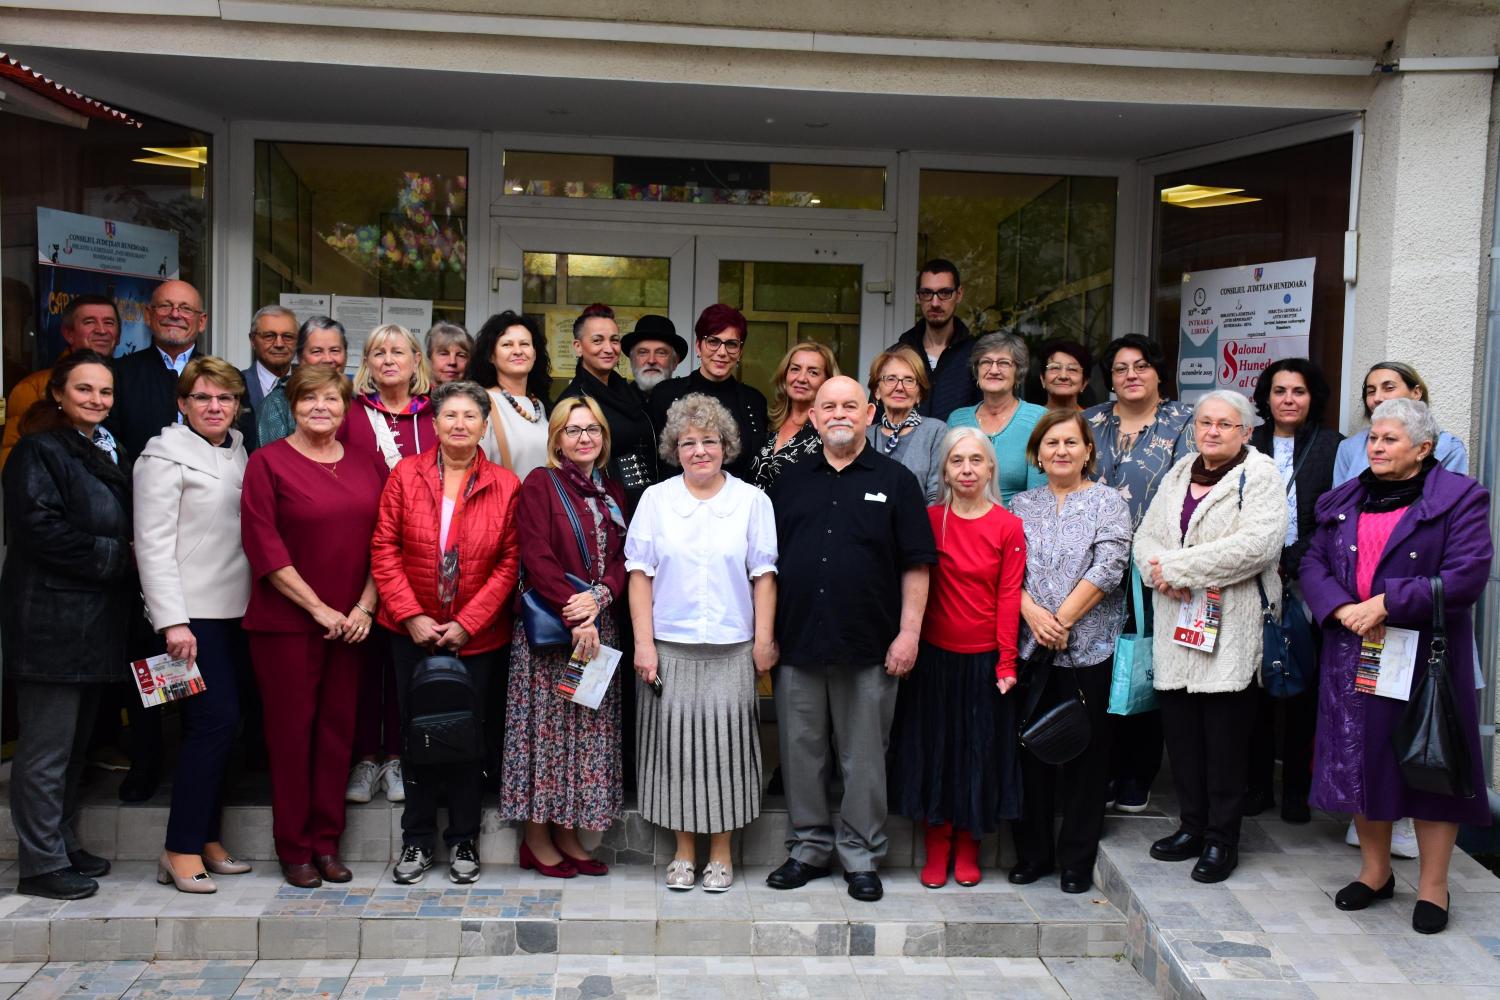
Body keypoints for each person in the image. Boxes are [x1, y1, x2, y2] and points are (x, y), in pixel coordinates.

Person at [1301, 398, 1492, 935]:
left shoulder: (1460, 498)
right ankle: (1375, 872)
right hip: (1356, 649)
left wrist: (1386, 603)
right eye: (1373, 438)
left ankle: (1433, 886)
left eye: (1389, 439)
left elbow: (1467, 576)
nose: (1376, 448)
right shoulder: (1348, 496)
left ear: (1423, 448)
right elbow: (1314, 561)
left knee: (1430, 764)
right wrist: (1341, 608)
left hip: (1425, 656)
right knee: (1364, 759)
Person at [766, 376, 938, 903]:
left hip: (871, 647)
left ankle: (862, 856)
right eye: (828, 406)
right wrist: (764, 635)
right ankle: (807, 849)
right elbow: (764, 567)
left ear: (869, 414)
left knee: (863, 759)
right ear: (813, 417)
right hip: (796, 643)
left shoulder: (897, 480)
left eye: (849, 405)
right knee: (801, 753)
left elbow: (917, 565)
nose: (839, 414)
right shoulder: (788, 481)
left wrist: (909, 634)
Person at [371, 381, 522, 886]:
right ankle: (416, 839)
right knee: (416, 736)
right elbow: (384, 548)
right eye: (450, 415)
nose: (459, 424)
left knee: (466, 738)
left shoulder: (506, 484)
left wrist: (467, 623)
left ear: (483, 425)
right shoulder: (405, 474)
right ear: (434, 424)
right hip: (409, 631)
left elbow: (509, 562)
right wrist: (411, 615)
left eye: (470, 416)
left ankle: (463, 839)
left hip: (475, 638)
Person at [1133, 390, 1286, 884]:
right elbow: (1145, 538)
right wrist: (1158, 572)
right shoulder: (1180, 472)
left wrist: (1176, 568)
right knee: (1182, 737)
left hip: (1231, 629)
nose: (1212, 431)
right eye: (1204, 422)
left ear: (1246, 431)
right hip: (1178, 625)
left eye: (1225, 423)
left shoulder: (1259, 474)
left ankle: (1223, 839)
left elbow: (1257, 546)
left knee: (1224, 743)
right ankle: (1191, 827)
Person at [240, 364, 384, 888]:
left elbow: (386, 542)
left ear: (346, 407)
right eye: (309, 399)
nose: (321, 407)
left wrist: (365, 608)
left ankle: (327, 843)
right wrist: (320, 609)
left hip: (353, 627)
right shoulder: (267, 463)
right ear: (292, 406)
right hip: (287, 626)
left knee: (336, 736)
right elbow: (264, 546)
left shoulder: (368, 463)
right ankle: (294, 849)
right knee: (291, 737)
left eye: (331, 398)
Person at [628, 394, 778, 892]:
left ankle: (721, 853)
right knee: (676, 752)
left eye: (709, 441)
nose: (699, 451)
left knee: (727, 751)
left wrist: (763, 642)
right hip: (671, 647)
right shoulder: (656, 501)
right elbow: (640, 576)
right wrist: (644, 645)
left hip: (733, 648)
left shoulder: (752, 502)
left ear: (725, 445)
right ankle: (684, 852)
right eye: (688, 442)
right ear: (675, 449)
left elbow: (763, 576)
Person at [2, 351, 129, 900]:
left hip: (93, 622)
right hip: (50, 621)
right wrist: (118, 555)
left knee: (76, 746)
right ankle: (40, 864)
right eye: (84, 389)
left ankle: (63, 842)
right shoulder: (37, 450)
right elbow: (39, 530)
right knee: (45, 750)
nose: (97, 400)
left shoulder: (106, 447)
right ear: (57, 393)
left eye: (105, 391)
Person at [134, 357, 255, 893]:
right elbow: (152, 545)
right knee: (212, 725)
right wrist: (172, 622)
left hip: (238, 613)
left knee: (227, 728)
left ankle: (206, 838)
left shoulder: (239, 451)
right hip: (189, 620)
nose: (214, 407)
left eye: (225, 397)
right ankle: (179, 847)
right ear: (183, 403)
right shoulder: (162, 455)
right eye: (202, 397)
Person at [889, 427, 1025, 890]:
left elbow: (1009, 596)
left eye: (975, 460)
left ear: (991, 469)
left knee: (976, 755)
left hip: (984, 661)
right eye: (956, 461)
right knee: (935, 754)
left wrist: (1007, 662)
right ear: (944, 472)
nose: (966, 469)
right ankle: (937, 844)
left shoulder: (1008, 526)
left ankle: (968, 846)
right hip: (932, 659)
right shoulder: (929, 520)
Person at [501, 396, 627, 879]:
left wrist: (600, 598)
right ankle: (536, 838)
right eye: (573, 430)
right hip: (554, 633)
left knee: (583, 734)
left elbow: (623, 558)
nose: (584, 438)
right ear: (557, 439)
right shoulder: (541, 483)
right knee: (546, 737)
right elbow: (535, 554)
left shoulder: (613, 492)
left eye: (592, 429)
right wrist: (577, 613)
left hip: (597, 627)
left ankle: (568, 833)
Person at [1008, 410, 1132, 893]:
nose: (1061, 450)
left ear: (1088, 451)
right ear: (1037, 454)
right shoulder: (1021, 505)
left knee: (1087, 755)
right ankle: (1033, 854)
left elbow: (1110, 566)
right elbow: (1006, 572)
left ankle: (1077, 860)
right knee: (1030, 750)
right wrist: (1034, 617)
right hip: (1031, 649)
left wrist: (1060, 621)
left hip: (1089, 650)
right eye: (1051, 443)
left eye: (1071, 442)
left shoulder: (1108, 502)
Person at [107, 279, 216, 803]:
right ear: (149, 316)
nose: (175, 315)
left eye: (185, 309)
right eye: (165, 307)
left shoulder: (217, 376)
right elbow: (111, 454)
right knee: (152, 654)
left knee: (203, 669)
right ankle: (149, 759)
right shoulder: (122, 376)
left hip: (205, 551)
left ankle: (193, 759)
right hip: (144, 539)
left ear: (201, 321)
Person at [1084, 334, 1196, 815]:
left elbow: (1190, 492)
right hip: (1091, 566)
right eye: (1121, 368)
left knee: (1145, 664)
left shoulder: (1184, 421)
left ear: (1158, 372)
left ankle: (1137, 772)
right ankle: (1104, 770)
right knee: (1102, 667)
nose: (1131, 375)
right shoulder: (1089, 421)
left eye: (1141, 365)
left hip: (1155, 569)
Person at [338, 322, 435, 806]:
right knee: (361, 661)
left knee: (403, 664)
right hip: (356, 551)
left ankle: (397, 756)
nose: (389, 360)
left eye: (399, 351)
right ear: (367, 364)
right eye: (379, 352)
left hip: (417, 557)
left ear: (417, 360)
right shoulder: (350, 415)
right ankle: (364, 758)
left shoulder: (436, 417)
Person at [1246, 358, 1342, 823]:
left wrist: (1294, 558)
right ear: (1266, 397)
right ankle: (1257, 786)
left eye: (1298, 391)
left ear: (1312, 397)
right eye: (1279, 391)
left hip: (1309, 582)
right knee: (1257, 681)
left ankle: (1296, 793)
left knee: (1302, 682)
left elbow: (1336, 515)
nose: (1288, 399)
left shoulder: (1333, 446)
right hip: (1254, 576)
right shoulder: (1249, 441)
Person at [556, 304, 659, 513]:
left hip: (649, 504)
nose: (609, 348)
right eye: (597, 340)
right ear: (578, 346)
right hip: (606, 510)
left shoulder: (631, 393)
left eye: (614, 340)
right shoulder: (574, 402)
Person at [1, 294, 120, 471]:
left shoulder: (129, 378)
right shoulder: (34, 387)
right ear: (68, 333)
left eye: (109, 322)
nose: (101, 330)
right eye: (89, 322)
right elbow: (16, 465)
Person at [650, 304, 768, 483]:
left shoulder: (755, 401)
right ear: (698, 346)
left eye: (731, 344)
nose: (722, 352)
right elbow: (654, 461)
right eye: (713, 342)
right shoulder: (666, 394)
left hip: (739, 499)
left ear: (740, 352)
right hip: (678, 499)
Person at [947, 333, 1046, 506]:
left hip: (1018, 520)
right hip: (963, 518)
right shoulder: (957, 420)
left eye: (1003, 363)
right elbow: (947, 486)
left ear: (1018, 372)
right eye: (986, 362)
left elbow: (1038, 497)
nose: (993, 370)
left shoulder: (1038, 419)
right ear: (977, 370)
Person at [1333, 361, 1468, 486]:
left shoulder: (1448, 447)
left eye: (1389, 388)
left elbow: (1450, 498)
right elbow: (1339, 500)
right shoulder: (1349, 447)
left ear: (1416, 393)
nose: (1378, 398)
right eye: (1371, 391)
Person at [890, 259, 979, 421]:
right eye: (927, 293)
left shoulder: (976, 356)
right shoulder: (897, 355)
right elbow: (877, 418)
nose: (935, 303)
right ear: (918, 296)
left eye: (945, 293)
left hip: (958, 438)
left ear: (959, 294)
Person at [470, 311, 551, 480]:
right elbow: (475, 473)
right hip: (506, 497)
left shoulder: (538, 405)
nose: (518, 351)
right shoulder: (480, 403)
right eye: (507, 345)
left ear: (534, 354)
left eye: (524, 344)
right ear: (491, 356)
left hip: (542, 497)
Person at [750, 341, 837, 491]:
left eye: (813, 372)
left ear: (827, 381)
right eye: (795, 369)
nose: (801, 378)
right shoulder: (768, 423)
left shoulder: (829, 431)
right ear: (785, 375)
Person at [866, 345, 947, 503]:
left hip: (919, 518)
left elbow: (937, 494)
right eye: (891, 379)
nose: (899, 387)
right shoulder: (864, 435)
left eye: (909, 380)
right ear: (877, 391)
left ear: (919, 393)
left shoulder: (936, 431)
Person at [256, 315, 348, 447]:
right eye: (317, 351)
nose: (327, 359)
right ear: (300, 357)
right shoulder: (278, 403)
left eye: (335, 350)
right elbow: (274, 457)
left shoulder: (355, 399)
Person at [240, 305, 299, 450]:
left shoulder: (308, 386)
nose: (279, 344)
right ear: (252, 340)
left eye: (288, 337)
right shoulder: (235, 385)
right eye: (269, 336)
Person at [623, 314, 687, 401]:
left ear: (675, 361)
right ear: (632, 360)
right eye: (643, 352)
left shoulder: (689, 403)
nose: (651, 360)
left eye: (661, 353)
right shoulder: (617, 400)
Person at [1035, 339, 1093, 411]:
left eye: (1072, 369)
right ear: (1042, 379)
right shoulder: (1029, 417)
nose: (1063, 376)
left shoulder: (1092, 418)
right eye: (1055, 368)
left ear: (1084, 383)